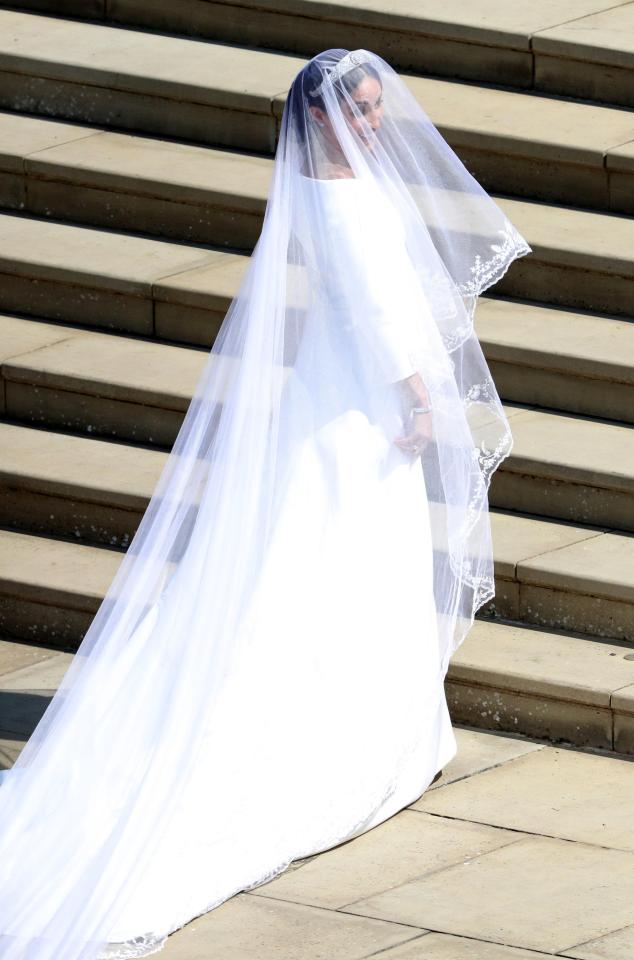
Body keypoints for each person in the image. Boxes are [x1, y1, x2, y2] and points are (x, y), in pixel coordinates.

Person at [0, 48, 531, 959]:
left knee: (348, 555)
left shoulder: (326, 186)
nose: (372, 123)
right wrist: (417, 393)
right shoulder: (335, 197)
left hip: (342, 388)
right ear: (320, 117)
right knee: (338, 556)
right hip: (361, 399)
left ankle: (388, 725)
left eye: (376, 109)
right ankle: (351, 739)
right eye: (358, 111)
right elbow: (372, 304)